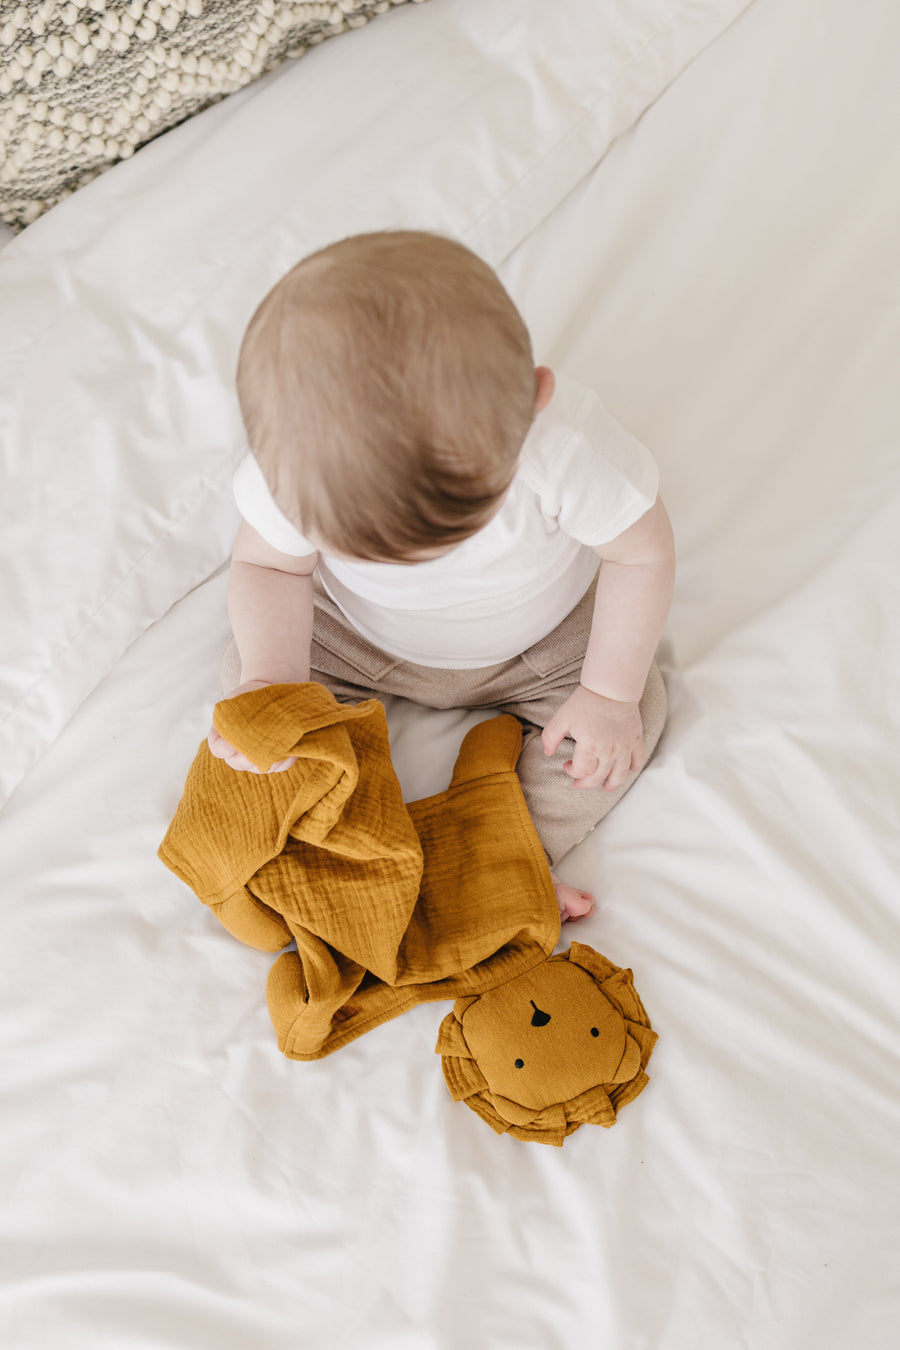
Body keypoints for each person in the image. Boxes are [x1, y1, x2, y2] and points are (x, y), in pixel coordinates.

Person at [210, 230, 675, 921]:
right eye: (367, 546)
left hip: (542, 644)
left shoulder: (564, 449)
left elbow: (640, 554)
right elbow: (267, 568)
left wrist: (606, 694)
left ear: (534, 400)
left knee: (626, 721)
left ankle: (503, 858)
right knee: (253, 698)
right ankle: (349, 847)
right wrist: (273, 683)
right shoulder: (295, 466)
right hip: (354, 637)